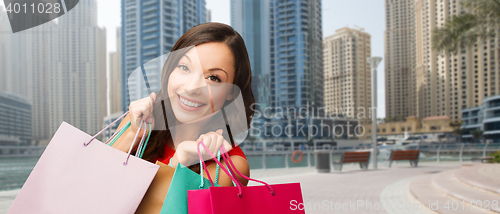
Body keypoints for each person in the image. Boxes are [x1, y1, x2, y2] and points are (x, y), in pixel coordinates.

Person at [111, 22, 254, 187]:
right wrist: (132, 135)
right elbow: (89, 179)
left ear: (232, 93)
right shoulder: (139, 122)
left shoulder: (230, 166)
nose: (192, 88)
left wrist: (179, 163)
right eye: (184, 67)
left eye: (213, 78)